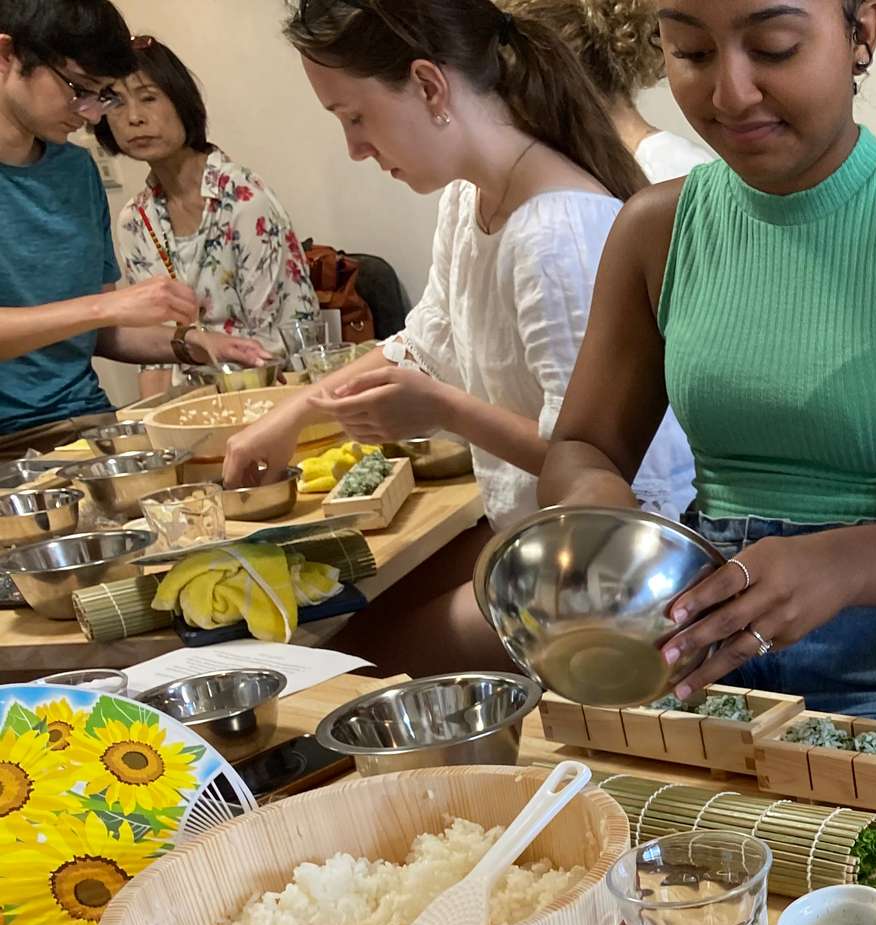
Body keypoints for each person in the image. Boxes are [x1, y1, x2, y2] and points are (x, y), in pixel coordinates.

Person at [538, 0, 876, 735]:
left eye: (773, 48)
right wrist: (603, 512)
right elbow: (583, 445)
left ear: (860, 32)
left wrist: (838, 565)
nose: (730, 94)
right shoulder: (656, 229)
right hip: (708, 636)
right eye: (691, 52)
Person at [223, 0, 646, 672]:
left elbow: (611, 467)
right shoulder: (468, 197)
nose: (355, 148)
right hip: (539, 537)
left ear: (428, 85)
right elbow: (422, 344)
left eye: (354, 118)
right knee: (323, 633)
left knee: (340, 670)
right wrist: (292, 417)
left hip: (612, 568)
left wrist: (442, 408)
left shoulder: (556, 234)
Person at [0, 0, 266, 455]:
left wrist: (193, 343)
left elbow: (99, 331)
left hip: (88, 423)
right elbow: (100, 315)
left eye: (101, 95)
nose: (91, 114)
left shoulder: (77, 172)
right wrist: (107, 308)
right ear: (7, 57)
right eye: (77, 88)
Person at [496, 0, 711, 520]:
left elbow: (661, 455)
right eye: (694, 54)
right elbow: (587, 445)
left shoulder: (660, 185)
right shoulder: (633, 203)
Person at [96, 36, 321, 399]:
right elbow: (155, 354)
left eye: (148, 97)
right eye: (115, 102)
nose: (133, 118)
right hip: (195, 404)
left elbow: (274, 343)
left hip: (275, 392)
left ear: (182, 101)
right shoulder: (134, 220)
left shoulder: (244, 199)